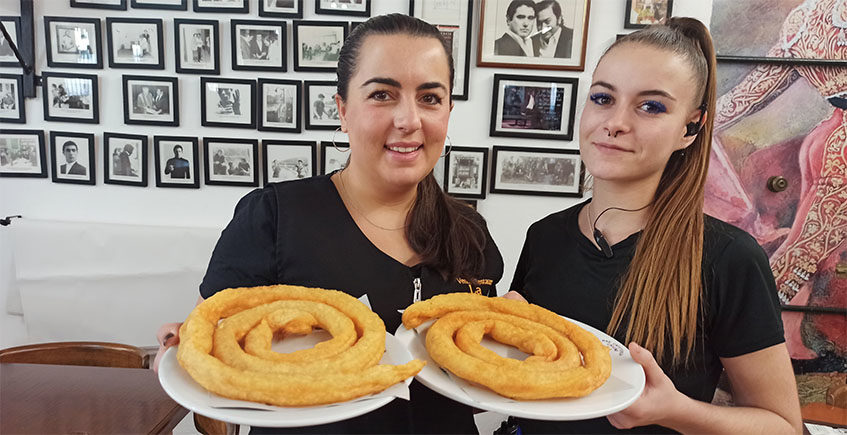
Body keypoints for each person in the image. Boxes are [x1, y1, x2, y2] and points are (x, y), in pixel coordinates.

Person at [152, 13, 504, 433]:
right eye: (382, 95)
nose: (409, 120)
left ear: (448, 110)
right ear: (342, 109)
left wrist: (502, 355)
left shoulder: (469, 231)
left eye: (430, 98)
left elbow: (470, 394)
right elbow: (212, 384)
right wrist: (182, 365)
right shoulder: (274, 218)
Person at [505, 18, 801, 433]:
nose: (616, 122)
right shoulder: (545, 236)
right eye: (603, 98)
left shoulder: (727, 258)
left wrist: (675, 411)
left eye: (651, 106)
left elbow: (782, 426)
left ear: (689, 128)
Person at [704, 0, 847, 364]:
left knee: (805, 252)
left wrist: (694, 126)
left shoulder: (804, 19)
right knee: (801, 254)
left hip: (830, 139)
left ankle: (778, 342)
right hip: (840, 146)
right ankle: (728, 343)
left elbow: (753, 92)